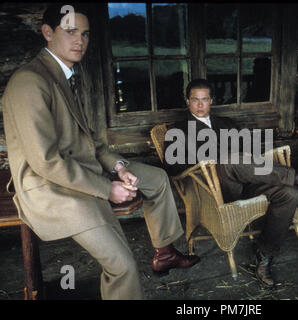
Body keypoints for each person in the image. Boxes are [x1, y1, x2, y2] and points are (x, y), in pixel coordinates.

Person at [2, 4, 198, 300]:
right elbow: (46, 161)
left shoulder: (63, 75)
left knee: (156, 178)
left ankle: (165, 252)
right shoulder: (30, 82)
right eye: (70, 32)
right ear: (47, 33)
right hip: (52, 186)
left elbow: (90, 139)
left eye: (85, 33)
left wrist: (119, 167)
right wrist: (108, 189)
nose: (80, 40)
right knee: (122, 266)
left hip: (84, 166)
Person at [164, 79, 298, 287]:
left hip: (247, 181)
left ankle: (264, 255)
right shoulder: (178, 130)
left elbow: (251, 156)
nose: (200, 105)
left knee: (290, 194)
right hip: (213, 189)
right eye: (195, 100)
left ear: (211, 101)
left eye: (204, 100)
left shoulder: (226, 124)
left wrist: (244, 155)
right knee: (229, 159)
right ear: (187, 101)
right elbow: (171, 166)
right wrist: (207, 159)